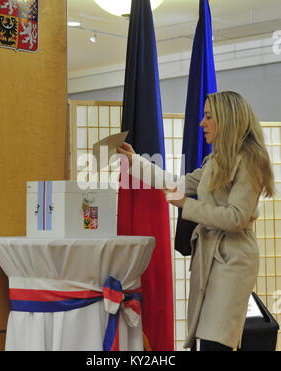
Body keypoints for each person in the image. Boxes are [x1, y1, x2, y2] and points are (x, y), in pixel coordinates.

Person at [117, 91, 275, 351]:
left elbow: (236, 217)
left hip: (233, 261)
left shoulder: (250, 160)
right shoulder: (215, 161)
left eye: (209, 117)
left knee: (216, 341)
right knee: (208, 340)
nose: (202, 122)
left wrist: (186, 205)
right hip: (210, 258)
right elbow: (176, 184)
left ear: (228, 120)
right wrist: (135, 161)